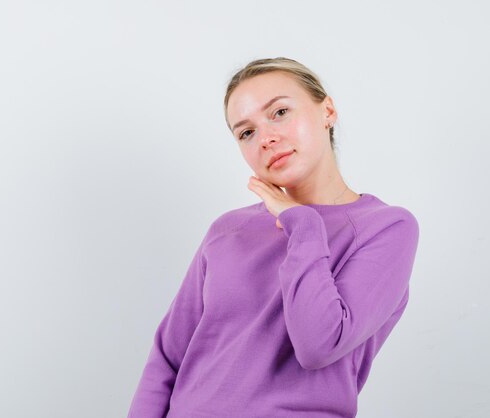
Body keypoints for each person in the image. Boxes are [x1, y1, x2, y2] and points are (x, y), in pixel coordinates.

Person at [127, 57, 420, 418]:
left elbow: (319, 345)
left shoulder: (387, 228)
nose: (266, 138)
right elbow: (167, 359)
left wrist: (304, 224)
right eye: (246, 132)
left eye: (280, 112)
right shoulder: (227, 231)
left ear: (327, 110)